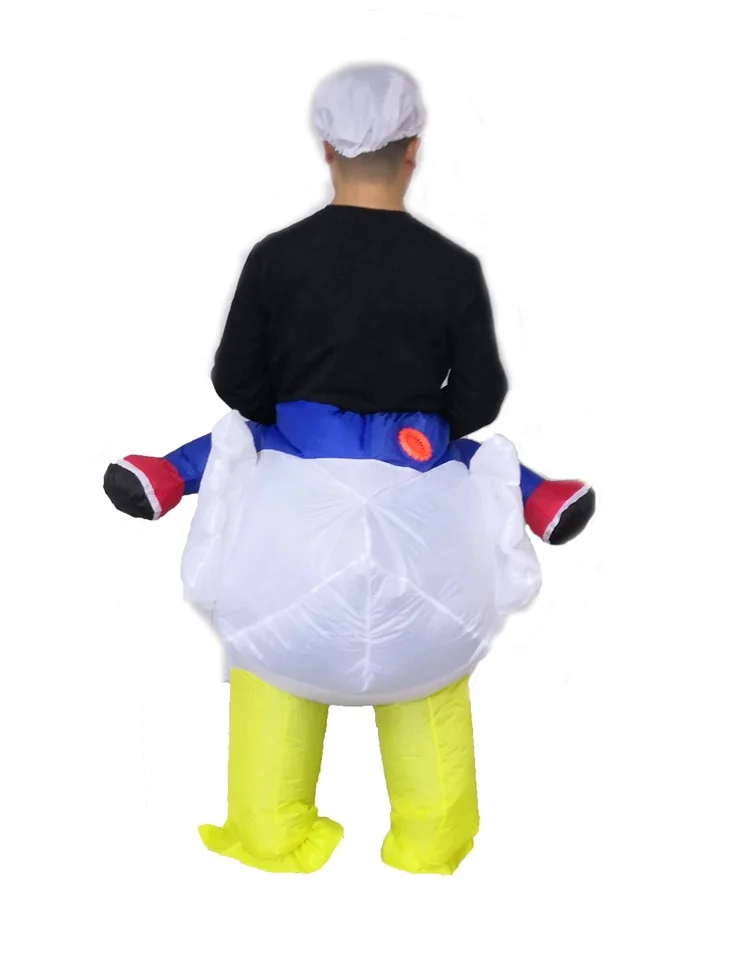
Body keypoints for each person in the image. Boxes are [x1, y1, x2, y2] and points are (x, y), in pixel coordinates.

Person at [103, 64, 594, 875]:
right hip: (422, 546)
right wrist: (421, 437)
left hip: (291, 549)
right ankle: (431, 841)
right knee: (430, 648)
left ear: (327, 149)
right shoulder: (452, 267)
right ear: (414, 151)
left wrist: (291, 422)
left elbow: (235, 381)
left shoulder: (277, 258)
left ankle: (270, 833)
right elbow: (481, 398)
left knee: (268, 608)